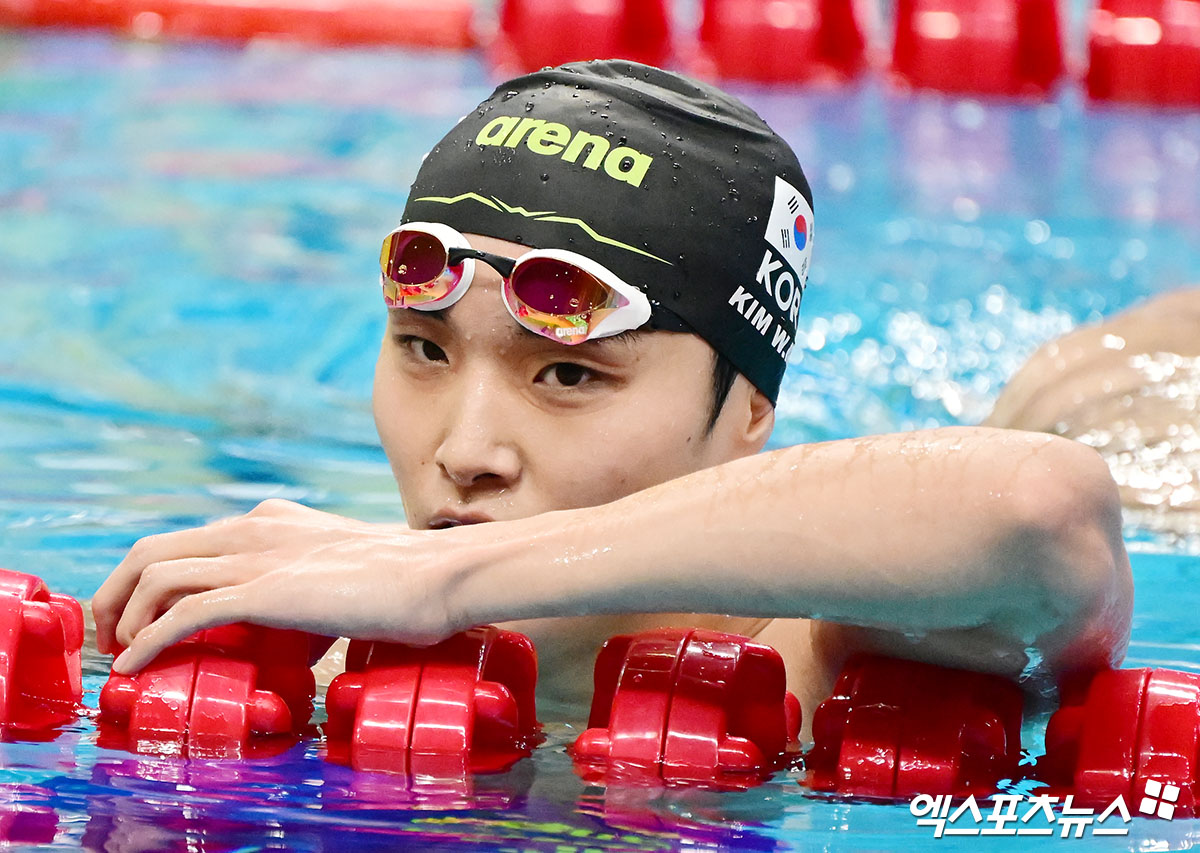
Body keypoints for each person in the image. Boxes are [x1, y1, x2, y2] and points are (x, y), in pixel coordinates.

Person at [91, 60, 1132, 737]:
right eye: (423, 348)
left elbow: (1040, 509)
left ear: (749, 412)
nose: (466, 450)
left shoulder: (828, 672)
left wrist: (447, 576)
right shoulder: (284, 653)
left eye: (569, 374)